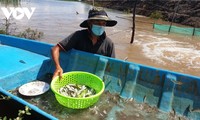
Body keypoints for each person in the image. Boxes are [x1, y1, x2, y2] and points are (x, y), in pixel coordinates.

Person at [51, 8, 117, 79]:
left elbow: (111, 66)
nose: (100, 26)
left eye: (103, 23)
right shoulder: (78, 36)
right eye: (97, 22)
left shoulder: (109, 44)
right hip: (75, 74)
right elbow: (55, 49)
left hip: (95, 78)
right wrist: (58, 67)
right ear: (89, 23)